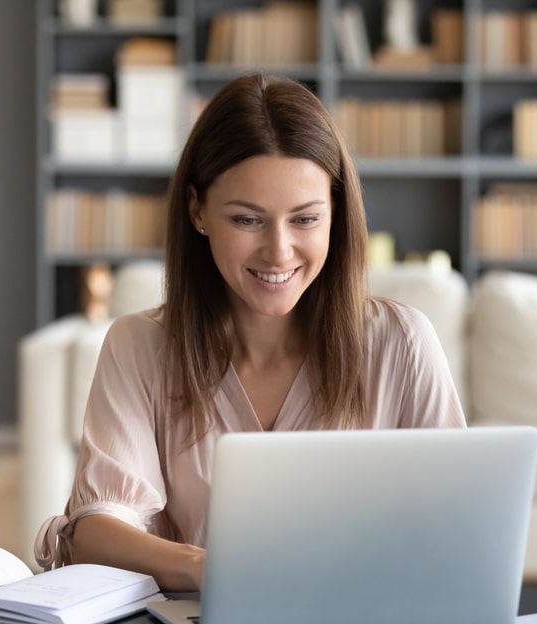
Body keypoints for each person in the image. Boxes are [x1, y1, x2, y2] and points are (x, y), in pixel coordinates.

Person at [34, 72, 466, 591]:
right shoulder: (139, 346)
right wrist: (209, 569)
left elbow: (459, 525)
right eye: (247, 220)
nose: (279, 252)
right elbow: (98, 531)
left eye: (305, 220)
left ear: (336, 214)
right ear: (198, 211)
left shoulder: (403, 343)